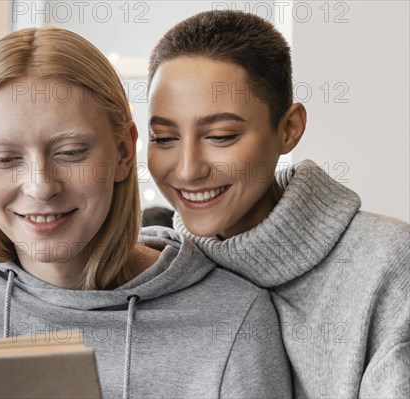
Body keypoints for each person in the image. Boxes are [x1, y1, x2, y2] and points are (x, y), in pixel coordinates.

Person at [0, 26, 291, 398]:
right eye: (6, 159)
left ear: (124, 151)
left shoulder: (233, 317)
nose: (41, 186)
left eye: (71, 152)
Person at [146, 10, 410, 398]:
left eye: (220, 136)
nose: (187, 170)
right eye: (165, 138)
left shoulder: (387, 263)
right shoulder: (156, 267)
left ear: (289, 129)